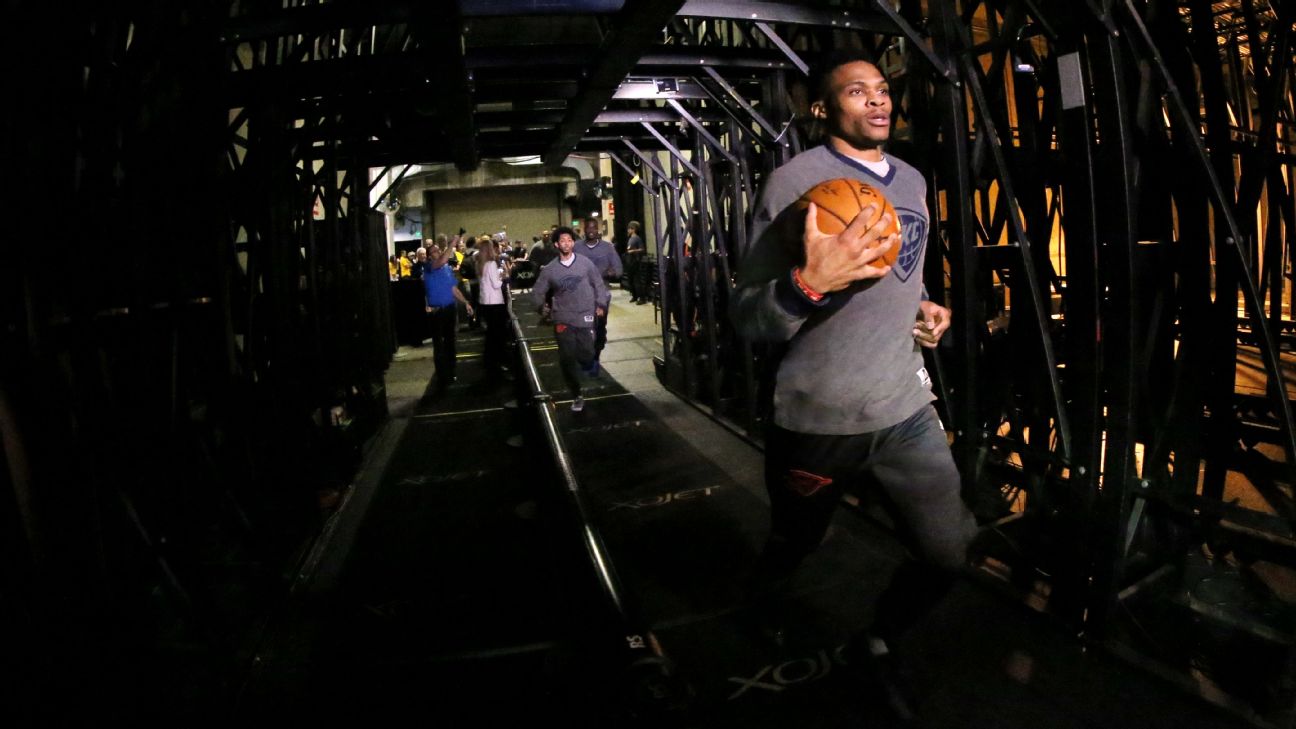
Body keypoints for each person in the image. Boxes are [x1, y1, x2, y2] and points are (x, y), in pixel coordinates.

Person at [730, 49, 978, 722]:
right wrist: (807, 285)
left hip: (903, 406)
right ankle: (759, 603)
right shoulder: (794, 183)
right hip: (819, 417)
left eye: (882, 89)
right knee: (796, 541)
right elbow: (748, 313)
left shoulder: (915, 181)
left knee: (947, 552)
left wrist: (924, 306)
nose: (878, 100)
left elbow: (905, 268)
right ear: (822, 109)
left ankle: (878, 634)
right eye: (856, 91)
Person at [532, 226, 609, 412]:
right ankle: (577, 395)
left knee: (587, 355)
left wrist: (600, 304)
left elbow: (598, 284)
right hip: (562, 318)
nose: (566, 243)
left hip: (585, 315)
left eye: (569, 240)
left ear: (573, 243)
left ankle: (587, 362)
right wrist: (542, 308)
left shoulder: (586, 264)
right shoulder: (550, 270)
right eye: (562, 241)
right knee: (567, 358)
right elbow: (537, 292)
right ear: (557, 244)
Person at [573, 218, 622, 373]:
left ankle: (595, 358)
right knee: (582, 328)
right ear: (584, 229)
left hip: (601, 295)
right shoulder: (576, 247)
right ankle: (584, 358)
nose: (591, 231)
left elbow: (619, 269)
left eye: (594, 227)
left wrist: (609, 272)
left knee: (599, 327)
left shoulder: (608, 248)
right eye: (588, 228)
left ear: (598, 229)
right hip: (581, 295)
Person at [424, 243, 473, 393]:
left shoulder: (446, 268)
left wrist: (465, 302)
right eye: (434, 251)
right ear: (429, 256)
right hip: (437, 311)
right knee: (439, 345)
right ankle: (441, 377)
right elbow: (441, 260)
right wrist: (452, 243)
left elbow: (453, 288)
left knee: (450, 341)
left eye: (438, 250)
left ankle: (451, 372)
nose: (438, 253)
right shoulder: (429, 267)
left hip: (449, 308)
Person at [476, 237, 513, 383]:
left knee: (491, 335)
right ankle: (496, 364)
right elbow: (497, 285)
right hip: (495, 303)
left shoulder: (480, 263)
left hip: (485, 302)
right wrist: (503, 275)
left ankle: (490, 362)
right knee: (497, 335)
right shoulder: (491, 264)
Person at [625, 220, 647, 304]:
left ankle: (642, 298)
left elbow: (642, 249)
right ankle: (634, 296)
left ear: (633, 229)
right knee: (630, 280)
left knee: (637, 281)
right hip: (630, 262)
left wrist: (633, 251)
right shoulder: (630, 239)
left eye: (629, 229)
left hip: (636, 262)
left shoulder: (637, 238)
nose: (628, 230)